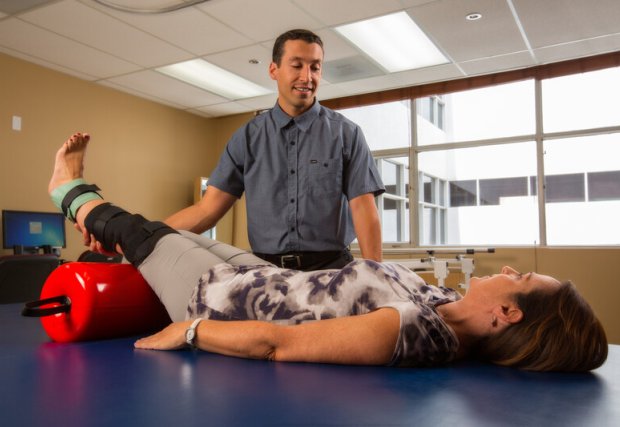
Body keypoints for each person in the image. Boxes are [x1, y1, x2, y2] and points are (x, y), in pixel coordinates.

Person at [51, 133, 608, 372]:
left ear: (506, 313)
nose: (510, 269)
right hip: (262, 276)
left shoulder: (417, 332)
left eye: (523, 277)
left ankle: (65, 188)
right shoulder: (444, 301)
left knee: (137, 231)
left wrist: (190, 331)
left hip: (220, 300)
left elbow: (280, 344)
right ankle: (109, 242)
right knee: (153, 231)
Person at [163, 29, 385, 271]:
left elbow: (363, 208)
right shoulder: (247, 138)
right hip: (266, 272)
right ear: (273, 70)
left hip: (331, 270)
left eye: (315, 67)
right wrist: (149, 235)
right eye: (297, 65)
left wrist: (376, 277)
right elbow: (206, 209)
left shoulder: (347, 134)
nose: (307, 77)